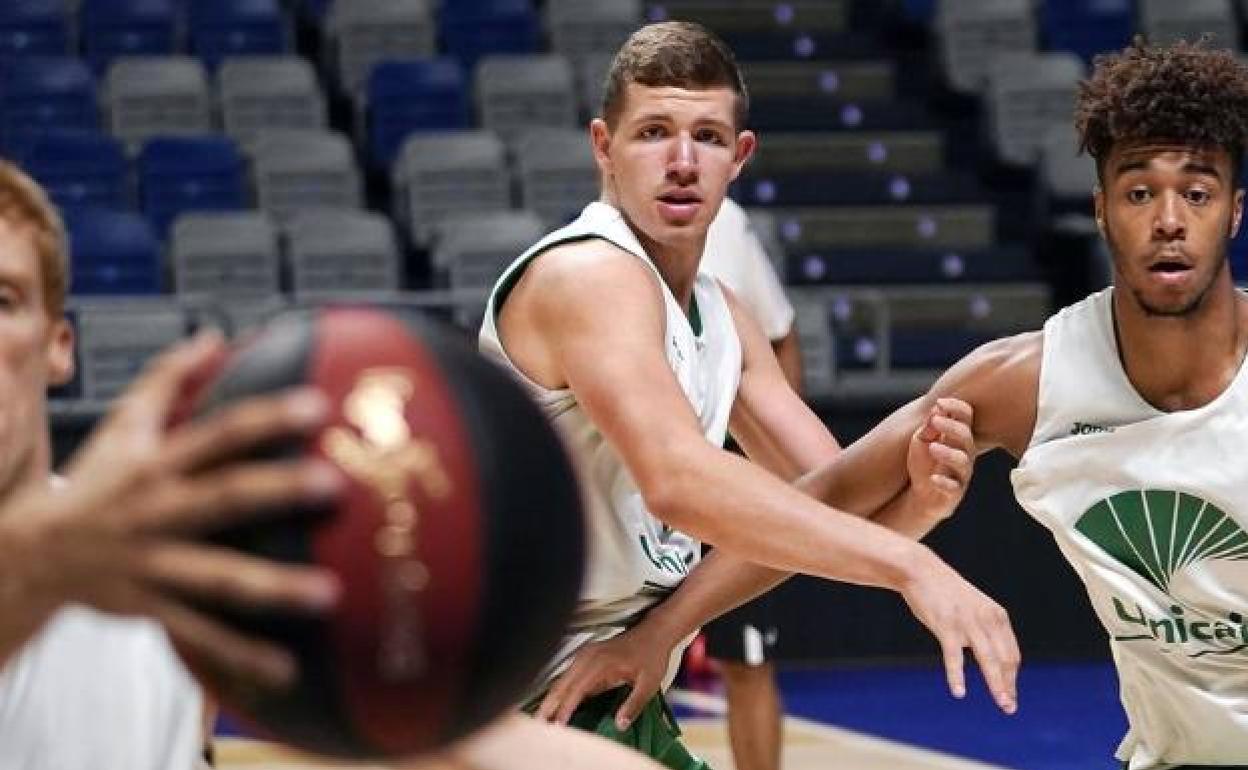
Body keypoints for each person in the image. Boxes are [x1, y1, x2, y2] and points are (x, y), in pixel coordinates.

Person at [541, 37, 1248, 770]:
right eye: (1139, 193)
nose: (1169, 219)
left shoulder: (718, 310)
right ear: (1101, 210)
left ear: (1233, 212)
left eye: (1197, 193)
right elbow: (827, 492)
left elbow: (823, 499)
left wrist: (918, 529)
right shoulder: (1025, 382)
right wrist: (665, 633)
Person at [479, 21, 1019, 769]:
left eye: (705, 136)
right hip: (500, 689)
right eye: (653, 133)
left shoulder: (723, 312)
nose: (679, 161)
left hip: (592, 686)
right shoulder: (589, 276)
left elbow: (829, 498)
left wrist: (919, 506)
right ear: (603, 147)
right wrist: (911, 566)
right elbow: (678, 481)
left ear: (739, 158)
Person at [0, 159, 347, 769]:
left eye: (1, 300)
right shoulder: (88, 548)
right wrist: (44, 563)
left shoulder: (162, 559)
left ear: (59, 346)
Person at [698, 198, 799, 770]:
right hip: (639, 476)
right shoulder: (583, 255)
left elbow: (782, 331)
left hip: (730, 474)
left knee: (749, 657)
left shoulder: (726, 222)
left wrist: (777, 465)